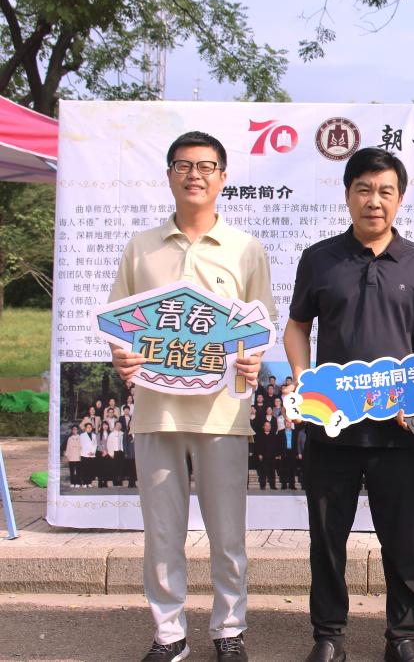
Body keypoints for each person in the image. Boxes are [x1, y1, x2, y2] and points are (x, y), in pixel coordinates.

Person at [108, 130, 273, 662]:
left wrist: (252, 361)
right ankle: (168, 634)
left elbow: (260, 328)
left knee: (228, 534)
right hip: (156, 412)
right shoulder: (141, 248)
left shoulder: (246, 249)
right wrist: (122, 357)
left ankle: (229, 630)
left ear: (223, 177)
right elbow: (120, 325)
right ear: (169, 175)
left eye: (205, 167)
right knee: (162, 533)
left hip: (222, 416)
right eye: (183, 165)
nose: (194, 175)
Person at [284, 147, 414, 662]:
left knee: (401, 540)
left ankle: (403, 638)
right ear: (348, 195)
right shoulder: (319, 259)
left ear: (400, 198)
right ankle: (328, 636)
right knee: (327, 540)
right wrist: (304, 383)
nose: (375, 201)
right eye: (364, 190)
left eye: (385, 191)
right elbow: (296, 328)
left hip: (397, 431)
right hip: (331, 428)